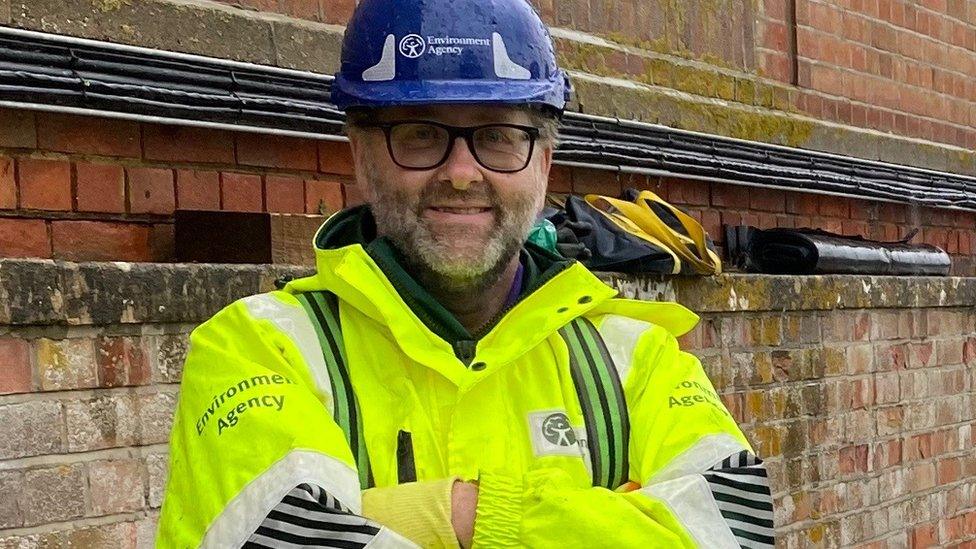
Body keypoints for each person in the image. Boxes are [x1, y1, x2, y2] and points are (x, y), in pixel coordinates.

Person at [156, 0, 775, 547]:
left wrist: (467, 517)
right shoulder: (259, 351)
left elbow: (737, 529)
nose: (460, 172)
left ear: (543, 162)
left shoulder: (634, 360)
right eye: (421, 135)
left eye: (498, 136)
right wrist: (602, 520)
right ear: (362, 157)